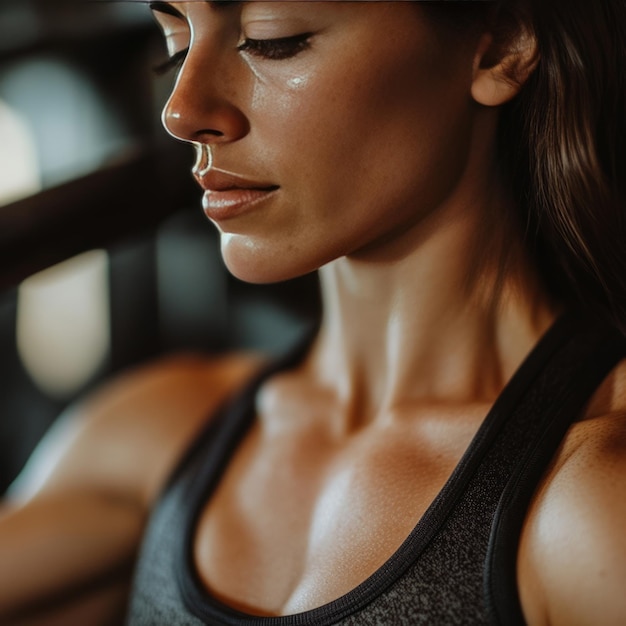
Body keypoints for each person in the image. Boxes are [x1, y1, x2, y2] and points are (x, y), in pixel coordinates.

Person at [1, 1, 626, 624]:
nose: (182, 111)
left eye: (274, 39)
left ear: (500, 48)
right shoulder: (159, 436)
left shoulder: (593, 497)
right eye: (177, 41)